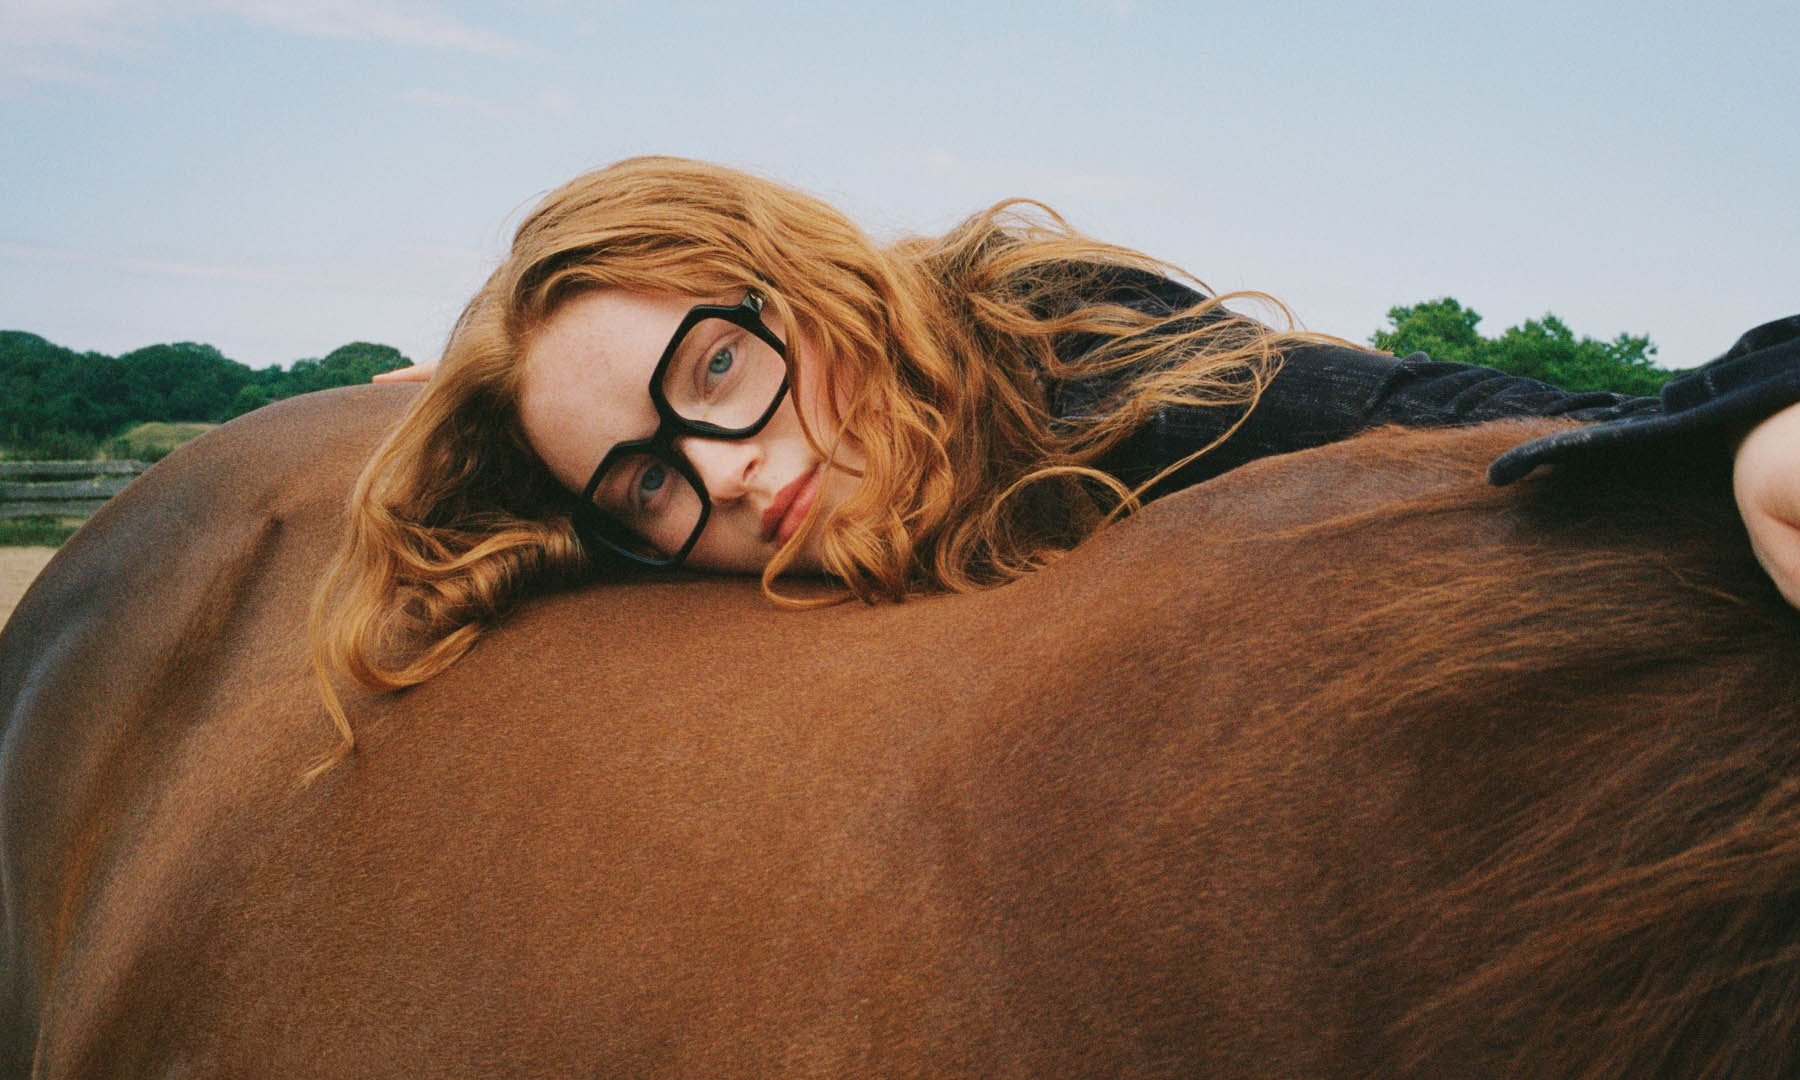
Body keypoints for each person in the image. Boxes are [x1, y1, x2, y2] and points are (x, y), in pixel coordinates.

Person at [320, 155, 1800, 748]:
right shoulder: (688, 538)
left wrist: (1738, 436)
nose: (730, 475)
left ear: (804, 281)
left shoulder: (1091, 375)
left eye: (718, 370)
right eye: (645, 476)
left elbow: (1424, 412)